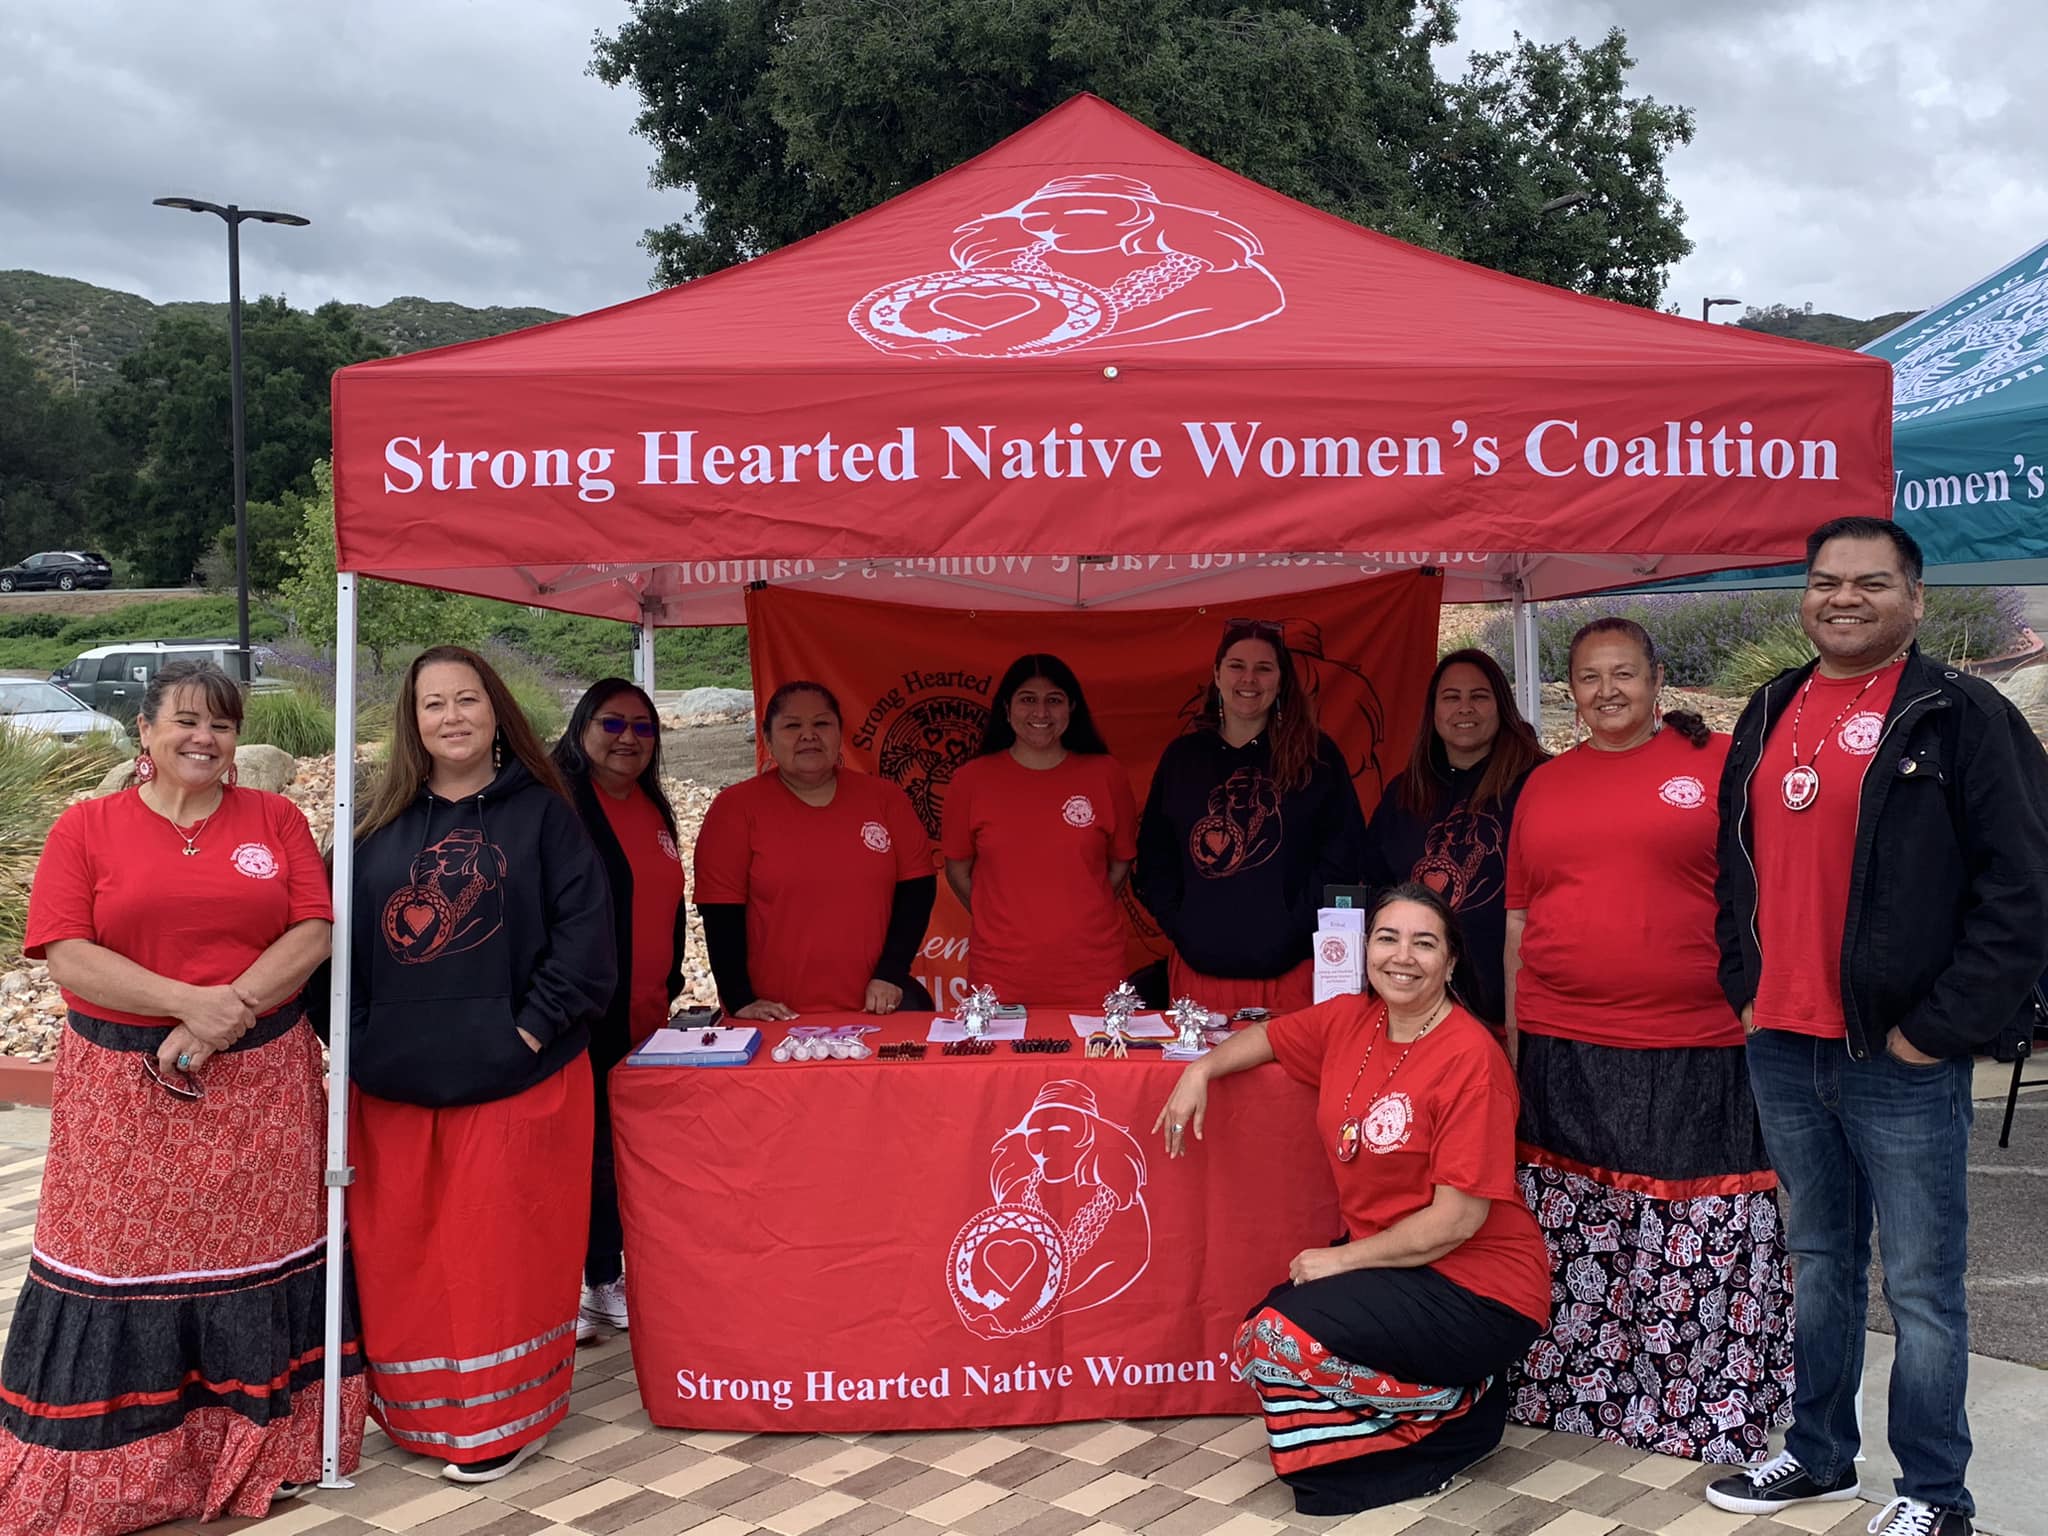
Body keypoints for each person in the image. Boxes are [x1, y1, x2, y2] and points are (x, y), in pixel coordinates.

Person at [1707, 519, 2048, 1536]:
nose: (1839, 598)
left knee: (1920, 1285)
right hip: (1780, 1039)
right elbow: (1735, 867)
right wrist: (1742, 981)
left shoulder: (1959, 715)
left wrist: (1937, 1031)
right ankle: (1816, 1457)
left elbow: (2021, 890)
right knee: (1815, 1261)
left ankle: (1933, 1495)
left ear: (1913, 600)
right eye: (1821, 582)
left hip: (1896, 1055)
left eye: (1866, 582)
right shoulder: (1766, 708)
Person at [0, 660, 365, 1532]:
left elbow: (313, 928)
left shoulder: (273, 818)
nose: (205, 739)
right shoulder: (87, 827)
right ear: (146, 732)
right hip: (125, 1089)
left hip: (262, 1088)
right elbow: (64, 950)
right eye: (188, 722)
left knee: (263, 1259)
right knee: (118, 1262)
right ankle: (128, 1476)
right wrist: (187, 1003)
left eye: (224, 725)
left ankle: (261, 1451)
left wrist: (222, 1016)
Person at [1154, 883, 1548, 1513]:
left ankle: (1459, 1411)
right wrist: (1200, 1069)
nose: (1403, 956)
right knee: (1260, 1337)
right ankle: (1412, 1424)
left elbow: (1457, 1219)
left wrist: (1340, 1261)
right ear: (1367, 948)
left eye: (1425, 943)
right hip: (1397, 1266)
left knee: (1279, 1338)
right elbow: (1271, 1039)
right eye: (1388, 938)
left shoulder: (1471, 1058)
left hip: (1480, 1287)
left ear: (1451, 963)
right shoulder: (1351, 1019)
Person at [1503, 618, 1793, 1461]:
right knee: (1580, 1224)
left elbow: (1769, 891)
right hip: (1564, 1042)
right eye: (1589, 678)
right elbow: (1519, 918)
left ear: (1658, 677)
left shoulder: (1717, 765)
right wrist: (1517, 1040)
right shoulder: (1544, 785)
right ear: (1571, 690)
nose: (1607, 692)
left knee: (1697, 1228)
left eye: (1623, 673)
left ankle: (1704, 1407)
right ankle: (1578, 1396)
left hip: (1695, 1039)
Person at [344, 646, 614, 1484]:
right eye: (433, 704)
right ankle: (421, 1414)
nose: (452, 717)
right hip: (393, 1086)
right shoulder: (372, 826)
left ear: (497, 712)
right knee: (407, 1258)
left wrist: (527, 1032)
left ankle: (505, 1418)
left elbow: (585, 939)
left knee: (499, 1252)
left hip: (516, 1080)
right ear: (411, 721)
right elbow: (330, 944)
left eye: (467, 700)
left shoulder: (547, 815)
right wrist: (355, 1034)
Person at [1136, 618, 1365, 1014]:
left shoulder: (1316, 756)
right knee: (1195, 1077)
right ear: (1217, 675)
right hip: (1198, 976)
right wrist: (1183, 925)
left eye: (1264, 668)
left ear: (1281, 681)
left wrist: (1294, 928)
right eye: (1237, 666)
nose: (1249, 679)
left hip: (1289, 977)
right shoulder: (1183, 758)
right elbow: (1155, 856)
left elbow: (1342, 858)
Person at [553, 680, 689, 1344]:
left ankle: (607, 1273)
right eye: (613, 723)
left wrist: (673, 980)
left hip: (647, 1014)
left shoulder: (651, 805)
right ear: (582, 727)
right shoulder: (562, 805)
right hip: (585, 1017)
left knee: (620, 1151)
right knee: (587, 1153)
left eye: (644, 728)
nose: (629, 738)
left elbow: (669, 903)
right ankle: (585, 1284)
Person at [697, 681, 936, 1017]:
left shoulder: (886, 799)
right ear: (767, 739)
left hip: (875, 1008)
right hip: (777, 1014)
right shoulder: (735, 809)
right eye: (792, 725)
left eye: (821, 723)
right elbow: (720, 913)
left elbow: (917, 891)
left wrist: (890, 974)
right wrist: (740, 1000)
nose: (808, 735)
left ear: (840, 733)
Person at [1362, 648, 1547, 1027]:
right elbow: (1372, 889)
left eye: (1479, 696)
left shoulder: (1539, 783)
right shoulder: (1404, 793)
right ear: (1432, 711)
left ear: (1502, 706)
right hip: (1419, 1013)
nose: (1465, 708)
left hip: (1514, 1013)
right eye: (1451, 697)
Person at [943, 655, 1136, 1007]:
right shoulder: (971, 780)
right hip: (1000, 974)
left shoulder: (1107, 774)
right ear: (1006, 707)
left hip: (1094, 971)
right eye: (1028, 699)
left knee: (1094, 1061)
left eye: (1054, 700)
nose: (1041, 713)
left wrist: (1082, 914)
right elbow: (957, 869)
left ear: (1072, 707)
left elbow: (1120, 863)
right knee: (999, 1063)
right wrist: (1000, 919)